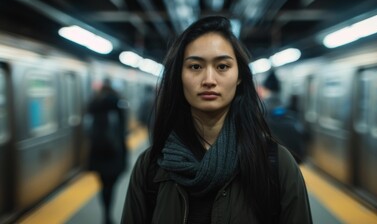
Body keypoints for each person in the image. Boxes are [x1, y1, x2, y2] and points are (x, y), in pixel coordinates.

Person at [121, 16, 312, 223]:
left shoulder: (276, 165)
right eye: (195, 67)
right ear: (179, 76)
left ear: (239, 76)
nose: (209, 80)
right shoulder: (151, 168)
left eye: (222, 67)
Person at [87, 78, 128, 224]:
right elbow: (123, 130)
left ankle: (105, 213)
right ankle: (108, 215)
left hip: (98, 151)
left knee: (103, 184)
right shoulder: (117, 103)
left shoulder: (93, 104)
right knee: (111, 184)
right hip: (114, 152)